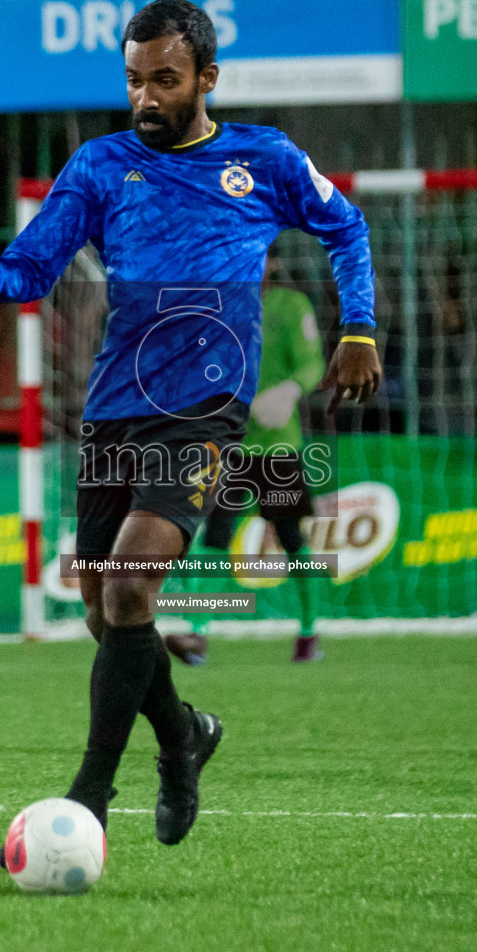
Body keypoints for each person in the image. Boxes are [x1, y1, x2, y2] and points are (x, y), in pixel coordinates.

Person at [0, 0, 380, 853]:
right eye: (134, 81)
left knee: (130, 586)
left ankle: (89, 795)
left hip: (206, 415)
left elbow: (347, 227)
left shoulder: (263, 160)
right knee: (105, 616)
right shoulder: (100, 167)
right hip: (115, 413)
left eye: (165, 80)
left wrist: (358, 326)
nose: (145, 98)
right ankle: (184, 737)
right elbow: (31, 273)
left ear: (206, 79)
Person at [165, 248, 329, 665]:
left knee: (292, 541)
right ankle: (196, 631)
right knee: (215, 537)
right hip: (229, 446)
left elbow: (312, 364)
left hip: (277, 448)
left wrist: (290, 390)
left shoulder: (291, 307)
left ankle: (309, 632)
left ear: (273, 262)